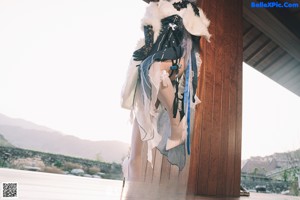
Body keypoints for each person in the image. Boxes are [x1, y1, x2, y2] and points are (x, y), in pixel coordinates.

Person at [121, 0, 210, 181]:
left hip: (177, 61)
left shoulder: (190, 10)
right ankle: (132, 188)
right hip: (149, 72)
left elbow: (192, 47)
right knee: (134, 153)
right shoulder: (153, 10)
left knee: (156, 68)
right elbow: (146, 48)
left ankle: (177, 127)